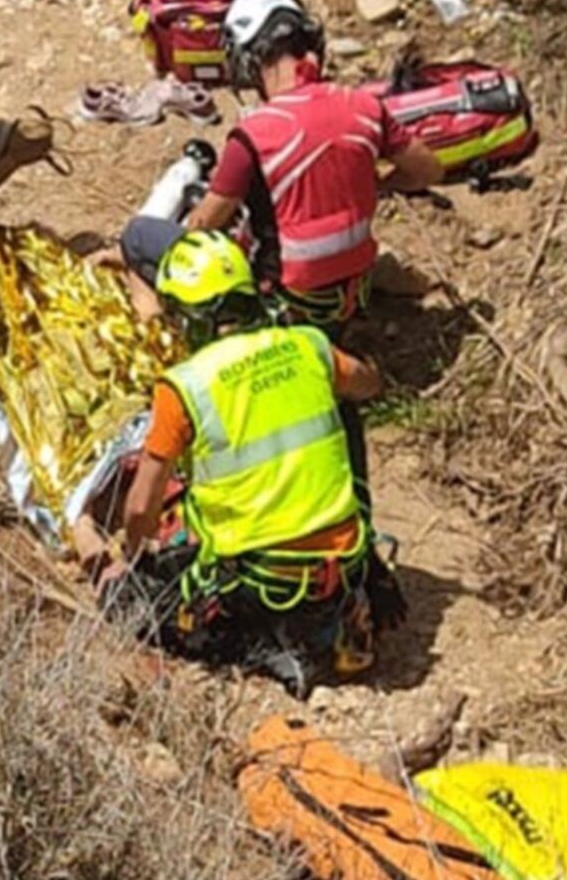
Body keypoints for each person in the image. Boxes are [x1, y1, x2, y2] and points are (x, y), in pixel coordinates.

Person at [103, 232, 403, 699]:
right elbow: (368, 385)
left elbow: (141, 506)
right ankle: (348, 608)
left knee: (127, 603)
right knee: (344, 406)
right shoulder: (308, 347)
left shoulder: (184, 387)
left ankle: (261, 647)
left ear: (190, 317)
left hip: (263, 583)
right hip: (340, 566)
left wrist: (131, 557)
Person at [119, 0, 446, 339]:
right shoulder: (363, 106)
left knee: (138, 236)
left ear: (247, 58)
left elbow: (202, 227)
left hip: (284, 308)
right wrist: (372, 183)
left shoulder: (253, 135)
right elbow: (429, 170)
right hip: (347, 299)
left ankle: (151, 316)